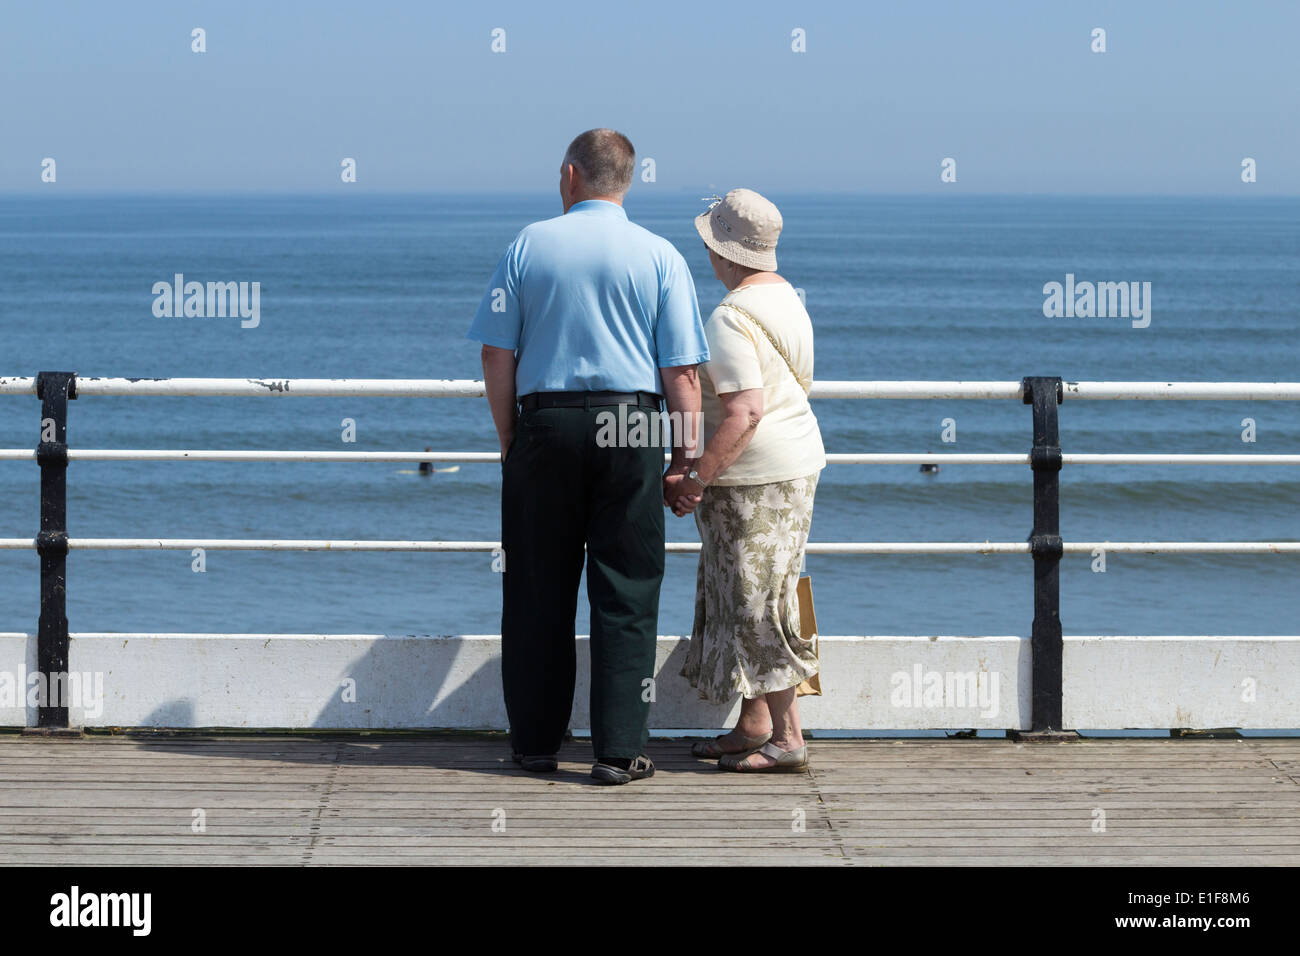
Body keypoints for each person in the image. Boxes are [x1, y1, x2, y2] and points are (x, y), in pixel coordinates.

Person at [468, 129, 709, 785]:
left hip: (546, 422)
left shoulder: (529, 245)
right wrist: (687, 462)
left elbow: (496, 352)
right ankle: (618, 750)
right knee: (626, 590)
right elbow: (681, 373)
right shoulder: (660, 256)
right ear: (627, 179)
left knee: (536, 590)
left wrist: (510, 436)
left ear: (570, 175)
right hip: (630, 424)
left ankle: (537, 745)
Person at [667, 189, 826, 773]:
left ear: (721, 251)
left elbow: (745, 413)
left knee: (755, 602)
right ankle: (754, 722)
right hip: (796, 466)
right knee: (760, 593)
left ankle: (787, 740)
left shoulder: (731, 316)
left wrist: (694, 479)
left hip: (755, 481)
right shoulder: (786, 297)